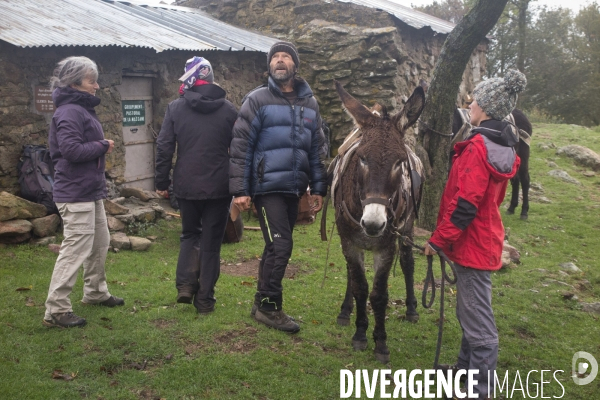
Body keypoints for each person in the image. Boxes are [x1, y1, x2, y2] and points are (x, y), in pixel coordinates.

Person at [424, 69, 526, 399]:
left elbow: (465, 206)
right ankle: (462, 374)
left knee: (479, 325)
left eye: (475, 99)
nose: (470, 104)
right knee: (469, 311)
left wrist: (438, 239)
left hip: (472, 244)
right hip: (483, 239)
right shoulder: (499, 145)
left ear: (486, 107)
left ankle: (479, 389)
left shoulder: (478, 148)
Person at [229, 41, 327, 333]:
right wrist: (241, 190)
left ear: (295, 66)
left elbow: (317, 149)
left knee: (275, 247)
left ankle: (261, 304)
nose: (280, 61)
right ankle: (271, 308)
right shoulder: (257, 100)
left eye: (286, 57)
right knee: (282, 245)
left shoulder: (310, 105)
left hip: (294, 189)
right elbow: (240, 147)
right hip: (267, 187)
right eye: (275, 57)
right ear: (269, 66)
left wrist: (319, 188)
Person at [43, 56, 124, 328]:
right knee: (75, 249)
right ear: (75, 82)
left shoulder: (81, 108)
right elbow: (71, 151)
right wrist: (102, 145)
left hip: (90, 190)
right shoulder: (69, 111)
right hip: (74, 193)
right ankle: (56, 310)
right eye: (92, 81)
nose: (97, 86)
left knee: (100, 241)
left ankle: (95, 293)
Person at [155, 56, 237, 314]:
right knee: (211, 241)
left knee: (190, 234)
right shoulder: (229, 110)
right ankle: (205, 300)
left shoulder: (175, 108)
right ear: (211, 78)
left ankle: (186, 286)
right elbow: (238, 150)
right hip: (219, 186)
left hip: (186, 184)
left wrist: (161, 181)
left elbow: (164, 146)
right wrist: (240, 185)